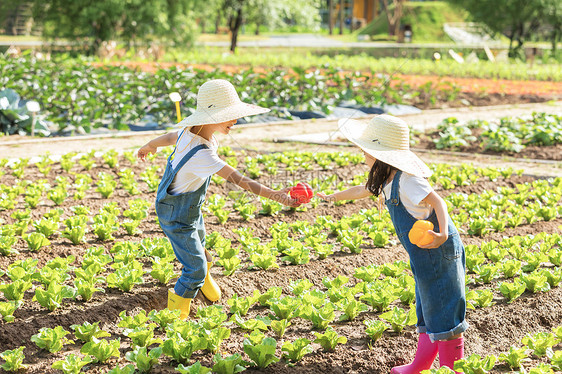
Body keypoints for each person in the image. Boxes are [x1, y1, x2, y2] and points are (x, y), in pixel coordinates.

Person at [137, 79, 300, 319]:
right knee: (194, 268)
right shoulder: (202, 155)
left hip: (188, 210)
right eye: (229, 115)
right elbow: (241, 180)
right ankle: (176, 316)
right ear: (211, 117)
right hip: (176, 216)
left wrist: (150, 145)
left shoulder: (191, 133)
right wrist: (278, 197)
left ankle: (203, 280)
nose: (235, 120)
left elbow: (171, 136)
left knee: (202, 249)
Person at [318, 114, 467, 373]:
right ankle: (421, 364)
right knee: (428, 307)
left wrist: (442, 234)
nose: (363, 154)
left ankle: (451, 368)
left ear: (382, 154)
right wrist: (331, 197)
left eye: (367, 150)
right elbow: (361, 190)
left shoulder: (409, 181)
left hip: (439, 251)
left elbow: (439, 202)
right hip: (423, 255)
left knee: (444, 309)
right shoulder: (387, 180)